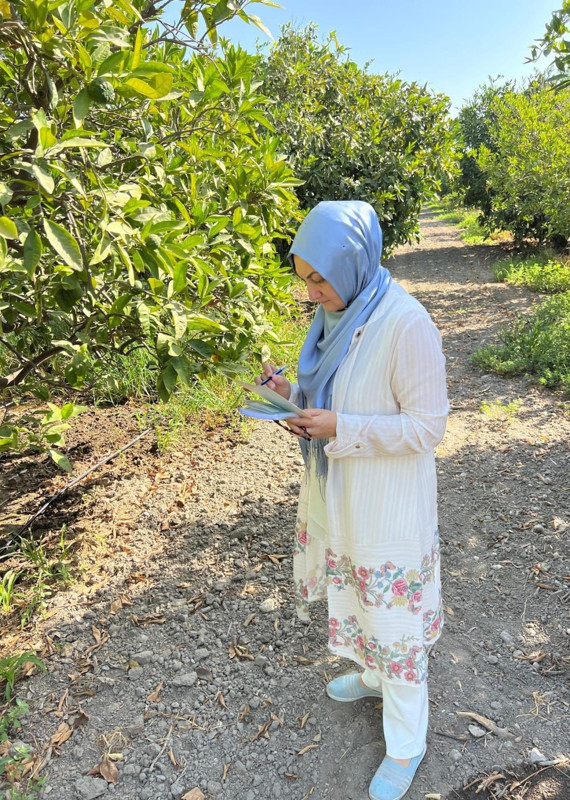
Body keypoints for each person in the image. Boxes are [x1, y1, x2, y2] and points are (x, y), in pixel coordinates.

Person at [257, 200, 449, 800]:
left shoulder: (405, 322)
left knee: (395, 618)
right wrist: (289, 395)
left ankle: (406, 744)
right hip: (341, 495)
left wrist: (341, 427)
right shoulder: (335, 319)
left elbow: (429, 427)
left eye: (320, 278)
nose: (310, 292)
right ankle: (373, 675)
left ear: (355, 263)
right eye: (303, 277)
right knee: (362, 597)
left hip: (387, 505)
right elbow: (328, 392)